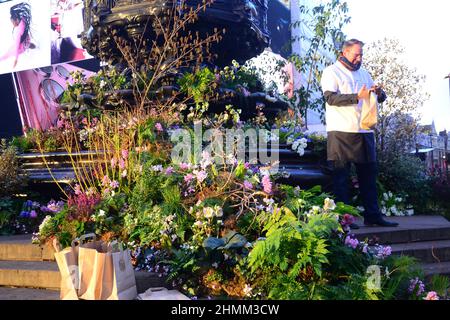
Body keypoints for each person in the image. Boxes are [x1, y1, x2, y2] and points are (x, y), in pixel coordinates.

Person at [320, 39, 399, 228]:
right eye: (356, 54)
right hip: (341, 131)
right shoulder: (331, 71)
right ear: (345, 52)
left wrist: (379, 93)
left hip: (364, 130)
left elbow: (378, 97)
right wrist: (357, 96)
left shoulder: (365, 73)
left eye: (361, 54)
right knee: (341, 179)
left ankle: (373, 216)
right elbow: (330, 98)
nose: (360, 58)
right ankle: (344, 220)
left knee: (369, 177)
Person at [0, 2, 34, 69]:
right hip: (27, 40)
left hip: (21, 48)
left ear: (16, 20)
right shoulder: (23, 21)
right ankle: (28, 45)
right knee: (25, 44)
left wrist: (16, 59)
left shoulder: (17, 32)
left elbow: (16, 46)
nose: (13, 24)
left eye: (12, 22)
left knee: (7, 54)